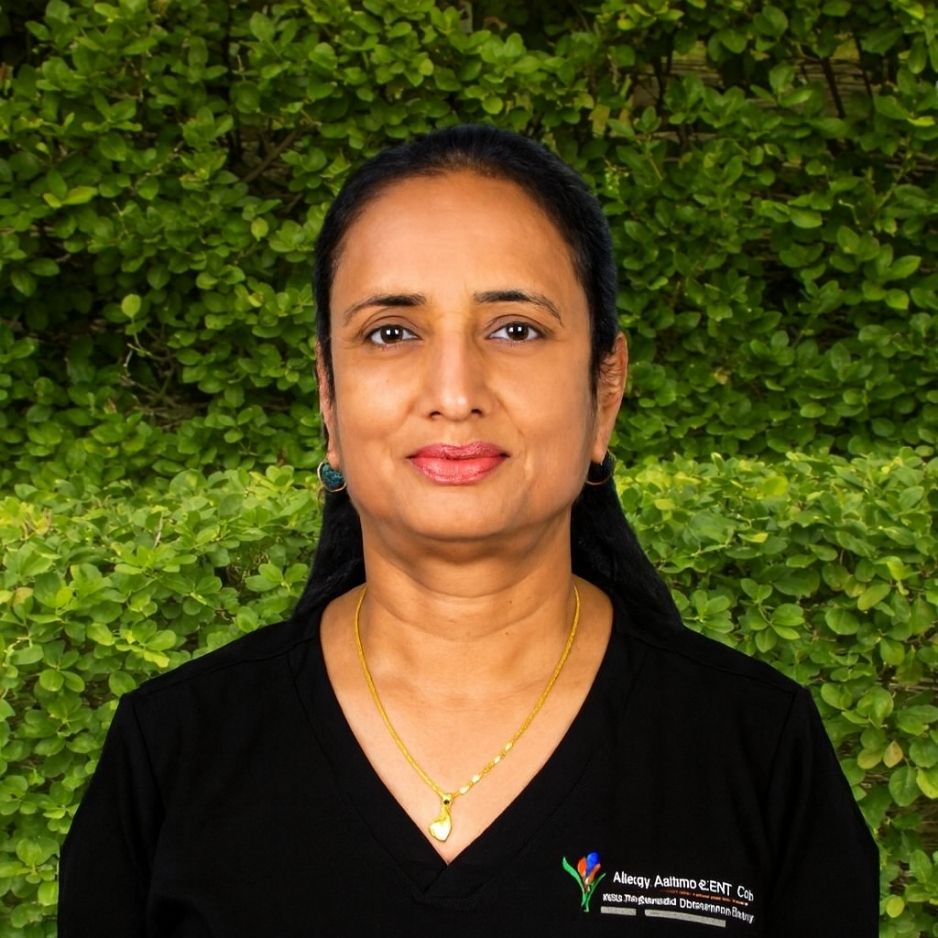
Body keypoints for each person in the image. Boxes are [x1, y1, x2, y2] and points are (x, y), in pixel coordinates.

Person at [58, 125, 878, 936]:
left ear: (607, 388)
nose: (454, 391)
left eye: (515, 329)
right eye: (391, 332)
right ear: (328, 398)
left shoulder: (758, 750)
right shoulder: (169, 754)